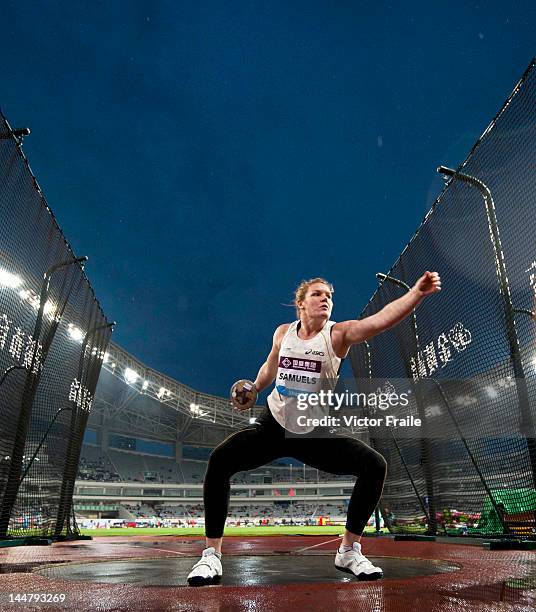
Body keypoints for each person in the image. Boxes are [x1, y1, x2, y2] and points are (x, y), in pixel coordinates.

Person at [187, 271, 441, 586]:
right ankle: (211, 556)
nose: (325, 299)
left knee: (374, 465)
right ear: (301, 304)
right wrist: (254, 386)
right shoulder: (283, 333)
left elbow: (380, 321)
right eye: (318, 294)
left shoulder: (337, 335)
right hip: (272, 426)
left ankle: (349, 551)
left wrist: (416, 293)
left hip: (311, 434)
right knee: (220, 460)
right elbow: (270, 366)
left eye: (329, 296)